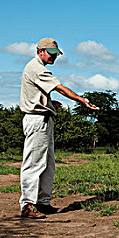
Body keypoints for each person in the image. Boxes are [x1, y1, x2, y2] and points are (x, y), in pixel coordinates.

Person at [19, 37, 99, 219]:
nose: (54, 57)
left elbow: (37, 94)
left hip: (44, 119)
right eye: (51, 53)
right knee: (34, 163)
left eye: (56, 54)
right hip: (37, 120)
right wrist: (81, 99)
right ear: (40, 51)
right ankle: (28, 205)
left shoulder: (38, 69)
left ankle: (42, 202)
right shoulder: (36, 69)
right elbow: (59, 88)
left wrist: (49, 103)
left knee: (47, 163)